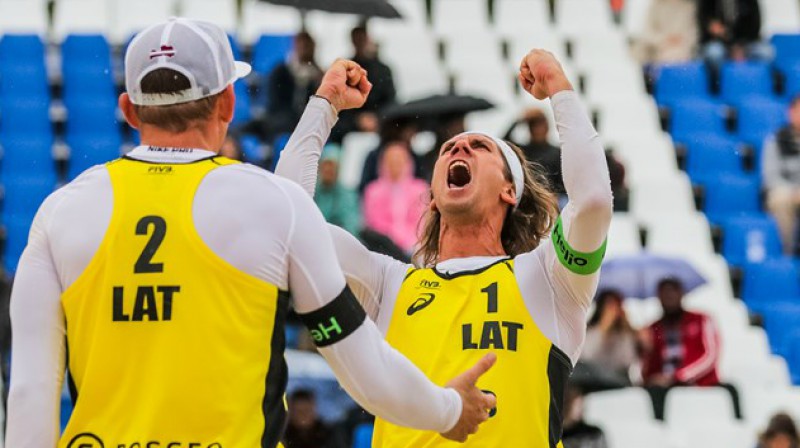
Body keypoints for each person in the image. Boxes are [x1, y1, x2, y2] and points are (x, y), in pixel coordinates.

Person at [5, 18, 498, 447]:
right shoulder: (272, 205)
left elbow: (29, 393)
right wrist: (448, 411)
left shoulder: (61, 212)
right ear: (226, 102)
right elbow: (363, 364)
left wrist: (323, 106)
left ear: (130, 111)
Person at [277, 49, 613, 446]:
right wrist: (325, 106)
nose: (458, 149)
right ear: (433, 196)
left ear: (511, 189)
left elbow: (592, 201)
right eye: (448, 149)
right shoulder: (389, 283)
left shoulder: (547, 278)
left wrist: (559, 89)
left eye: (479, 147)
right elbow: (287, 221)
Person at [641, 277, 731, 420]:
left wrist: (678, 377)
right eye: (664, 293)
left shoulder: (701, 320)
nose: (669, 297)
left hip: (701, 384)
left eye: (672, 291)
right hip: (662, 389)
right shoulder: (653, 329)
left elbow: (710, 355)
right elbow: (647, 372)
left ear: (681, 294)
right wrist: (642, 347)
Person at [331, 24, 397, 143]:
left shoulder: (383, 70)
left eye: (362, 38)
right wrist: (357, 120)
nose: (359, 43)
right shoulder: (344, 70)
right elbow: (338, 107)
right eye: (357, 39)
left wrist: (376, 118)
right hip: (348, 133)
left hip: (378, 130)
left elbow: (391, 101)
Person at [363, 141, 429, 254]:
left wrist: (409, 242)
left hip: (415, 247)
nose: (395, 164)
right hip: (383, 247)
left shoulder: (420, 189)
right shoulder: (373, 191)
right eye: (390, 161)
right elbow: (374, 224)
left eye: (399, 160)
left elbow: (423, 222)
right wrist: (394, 241)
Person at [265, 31, 324, 139]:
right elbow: (274, 104)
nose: (304, 49)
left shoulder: (319, 77)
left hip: (309, 124)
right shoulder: (281, 71)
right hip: (283, 123)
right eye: (301, 45)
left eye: (307, 46)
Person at [763, 95, 800, 255]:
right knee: (781, 198)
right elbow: (771, 177)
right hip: (786, 191)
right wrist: (794, 192)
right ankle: (788, 252)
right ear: (790, 112)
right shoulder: (776, 140)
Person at [581, 289, 639, 385]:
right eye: (608, 306)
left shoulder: (624, 334)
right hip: (591, 381)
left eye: (615, 306)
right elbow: (587, 357)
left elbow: (627, 362)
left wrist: (626, 331)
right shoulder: (589, 331)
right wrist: (603, 330)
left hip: (617, 382)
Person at [698, 0, 766, 65]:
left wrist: (739, 45)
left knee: (765, 53)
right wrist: (713, 29)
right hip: (718, 42)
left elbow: (755, 23)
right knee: (714, 54)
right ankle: (718, 77)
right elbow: (704, 21)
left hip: (746, 41)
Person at [315, 144, 362, 236]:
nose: (328, 170)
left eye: (332, 166)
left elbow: (351, 225)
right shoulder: (312, 192)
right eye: (325, 165)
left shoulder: (347, 195)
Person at [634, 0, 698, 65]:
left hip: (682, 48)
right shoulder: (655, 6)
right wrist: (665, 40)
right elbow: (648, 31)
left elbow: (693, 33)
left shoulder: (689, 7)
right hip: (658, 47)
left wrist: (678, 40)